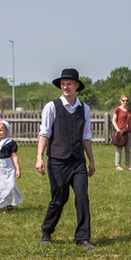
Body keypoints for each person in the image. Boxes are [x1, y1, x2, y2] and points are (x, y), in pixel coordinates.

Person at [36, 68, 97, 249]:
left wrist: (91, 160)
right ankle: (46, 231)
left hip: (77, 161)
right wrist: (39, 157)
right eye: (63, 83)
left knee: (82, 197)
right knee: (59, 199)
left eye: (69, 83)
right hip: (57, 160)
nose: (65, 86)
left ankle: (83, 237)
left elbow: (86, 136)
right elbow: (44, 133)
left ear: (77, 86)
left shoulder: (84, 109)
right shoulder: (51, 107)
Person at [112, 93, 131, 171]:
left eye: (126, 100)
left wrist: (130, 129)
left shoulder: (130, 110)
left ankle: (127, 165)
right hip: (120, 131)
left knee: (128, 149)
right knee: (119, 148)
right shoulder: (117, 109)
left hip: (128, 132)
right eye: (123, 100)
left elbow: (130, 120)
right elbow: (113, 120)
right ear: (120, 101)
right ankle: (118, 165)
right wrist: (118, 129)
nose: (125, 102)